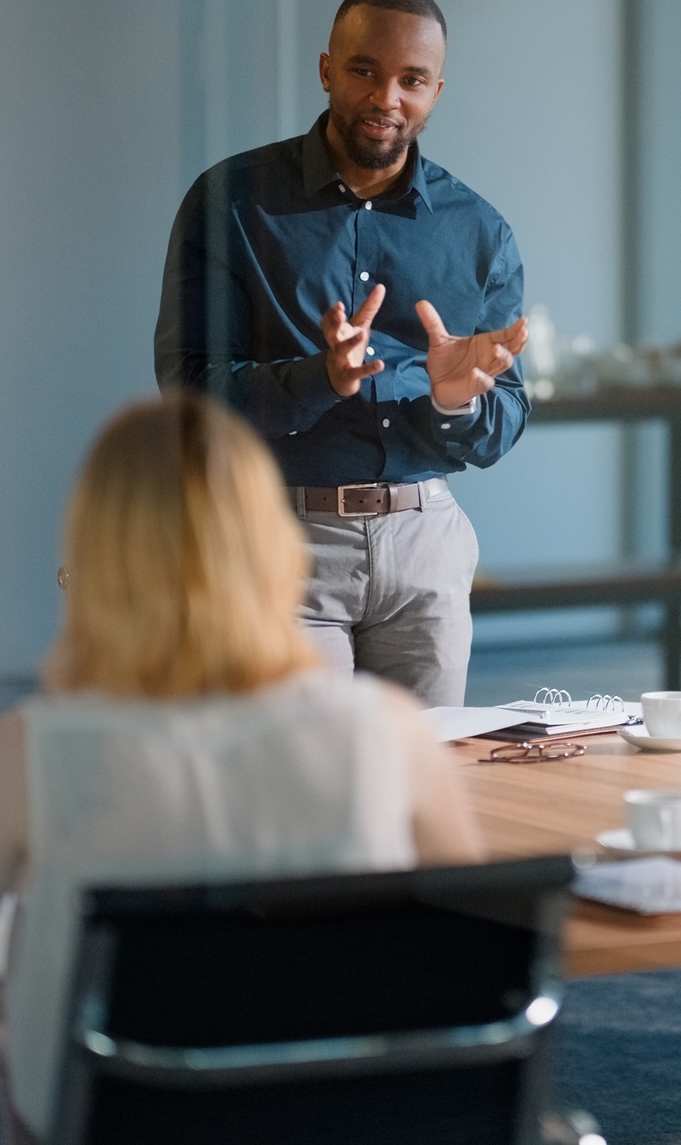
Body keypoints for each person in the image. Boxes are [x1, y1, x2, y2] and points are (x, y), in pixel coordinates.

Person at [0, 396, 481, 1144]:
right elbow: (468, 957)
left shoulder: (33, 751)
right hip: (341, 1113)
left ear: (95, 558)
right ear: (272, 545)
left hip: (117, 1114)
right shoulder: (390, 732)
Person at [154, 0, 529, 706]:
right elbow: (188, 386)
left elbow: (506, 417)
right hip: (280, 541)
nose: (387, 98)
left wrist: (455, 404)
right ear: (327, 70)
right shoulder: (232, 201)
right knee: (307, 788)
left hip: (425, 543)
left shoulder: (478, 231)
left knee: (424, 786)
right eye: (365, 71)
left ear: (435, 91)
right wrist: (320, 377)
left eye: (411, 80)